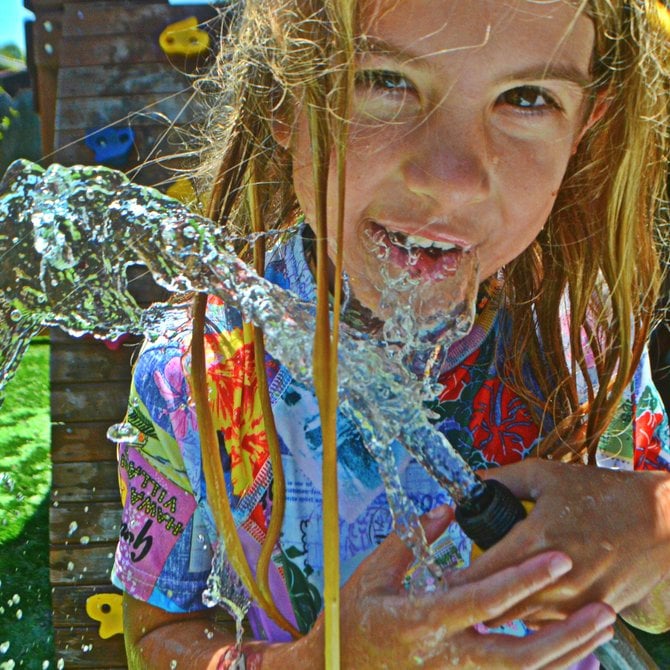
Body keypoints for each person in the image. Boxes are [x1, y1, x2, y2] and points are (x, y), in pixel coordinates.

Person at [113, 0, 670, 667]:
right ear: (287, 100)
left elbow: (655, 603)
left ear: (584, 126)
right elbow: (153, 635)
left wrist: (653, 535)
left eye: (526, 97)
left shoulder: (580, 327)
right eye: (385, 81)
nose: (451, 179)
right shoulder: (197, 368)